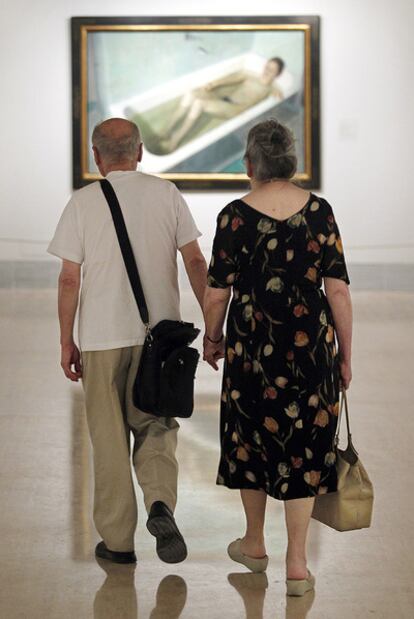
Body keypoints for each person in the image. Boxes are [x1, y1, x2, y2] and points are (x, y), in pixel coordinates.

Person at [48, 118, 207, 565]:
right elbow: (195, 261)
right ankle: (160, 502)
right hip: (163, 340)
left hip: (100, 339)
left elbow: (67, 278)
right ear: (140, 152)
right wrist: (214, 323)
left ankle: (118, 543)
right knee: (156, 425)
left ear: (96, 156)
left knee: (109, 437)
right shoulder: (167, 193)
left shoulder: (81, 203)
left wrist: (66, 340)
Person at [203, 118, 352, 596]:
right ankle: (297, 564)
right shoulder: (320, 212)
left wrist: (212, 338)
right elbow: (339, 291)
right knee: (305, 448)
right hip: (312, 352)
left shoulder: (233, 216)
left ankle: (253, 543)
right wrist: (345, 356)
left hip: (252, 354)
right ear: (291, 160)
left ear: (250, 163)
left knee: (250, 441)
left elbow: (216, 293)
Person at [160, 57, 285, 152]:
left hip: (236, 109)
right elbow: (233, 78)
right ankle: (166, 130)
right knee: (191, 94)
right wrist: (214, 84)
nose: (267, 70)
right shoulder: (251, 76)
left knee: (199, 103)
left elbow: (278, 97)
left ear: (277, 74)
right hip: (225, 100)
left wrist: (278, 93)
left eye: (272, 69)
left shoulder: (272, 88)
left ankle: (175, 141)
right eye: (267, 66)